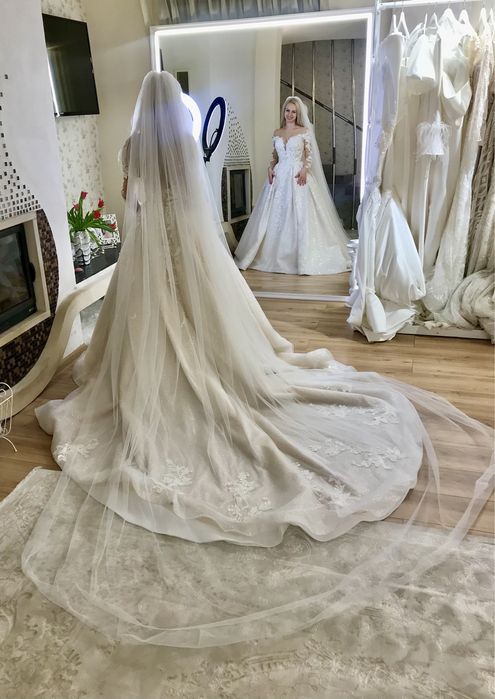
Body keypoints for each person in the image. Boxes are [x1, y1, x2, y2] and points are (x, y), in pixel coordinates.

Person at [21, 71, 493, 649]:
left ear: (144, 105)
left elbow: (130, 196)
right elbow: (192, 198)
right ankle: (200, 362)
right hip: (186, 245)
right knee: (203, 318)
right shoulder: (182, 143)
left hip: (147, 251)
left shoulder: (132, 145)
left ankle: (158, 370)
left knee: (149, 322)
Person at [235, 96, 350, 275]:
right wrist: (270, 168)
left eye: (293, 112)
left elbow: (309, 156)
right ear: (284, 112)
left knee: (300, 214)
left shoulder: (304, 131)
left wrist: (305, 169)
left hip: (298, 176)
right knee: (274, 215)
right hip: (279, 177)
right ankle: (271, 255)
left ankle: (302, 258)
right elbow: (275, 157)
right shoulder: (277, 132)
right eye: (287, 111)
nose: (290, 114)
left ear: (298, 114)